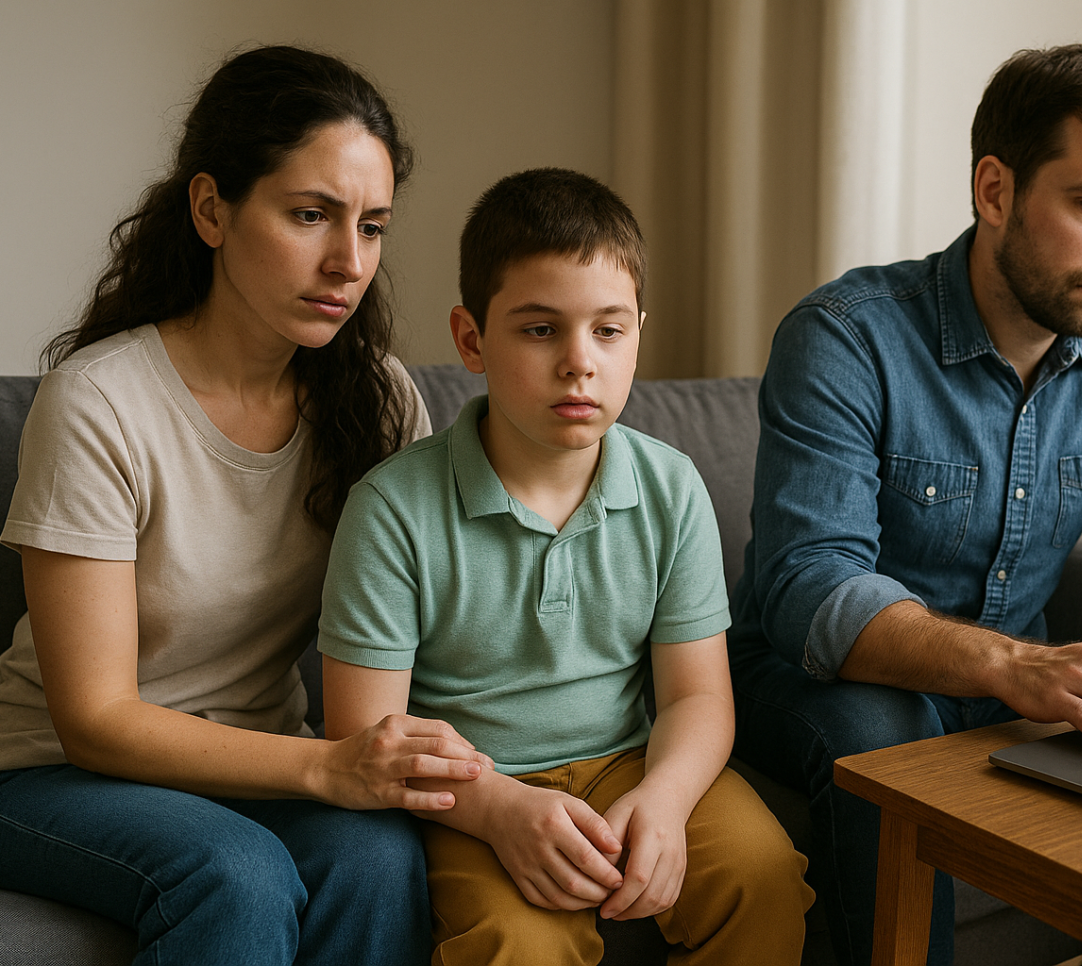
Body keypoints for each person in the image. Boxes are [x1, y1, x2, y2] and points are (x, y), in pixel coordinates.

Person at [727, 44, 1082, 966]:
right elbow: (808, 585)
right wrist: (1018, 667)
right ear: (995, 191)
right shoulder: (845, 336)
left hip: (1007, 679)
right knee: (880, 725)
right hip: (819, 683)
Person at [0, 45, 490, 966]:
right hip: (42, 773)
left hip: (255, 763)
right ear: (212, 208)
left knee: (376, 856)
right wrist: (326, 766)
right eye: (310, 215)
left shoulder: (377, 399)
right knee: (232, 871)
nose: (347, 261)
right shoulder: (101, 401)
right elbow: (95, 718)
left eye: (371, 226)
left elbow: (439, 629)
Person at [317, 167, 815, 966]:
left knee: (761, 875)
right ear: (472, 339)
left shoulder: (670, 486)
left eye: (608, 331)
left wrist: (664, 797)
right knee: (516, 942)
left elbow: (697, 696)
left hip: (629, 762)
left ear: (637, 336)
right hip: (471, 787)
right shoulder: (392, 509)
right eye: (540, 329)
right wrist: (497, 810)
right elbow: (362, 732)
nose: (580, 362)